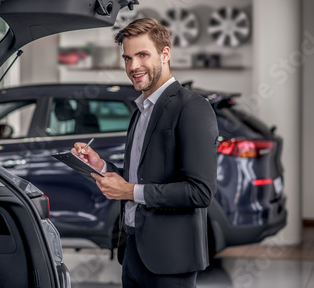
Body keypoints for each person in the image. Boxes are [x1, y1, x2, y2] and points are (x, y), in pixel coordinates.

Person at [72, 18, 218, 288]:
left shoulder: (192, 108)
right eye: (127, 58)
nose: (133, 66)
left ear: (165, 53)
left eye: (142, 55)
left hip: (170, 259)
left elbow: (200, 192)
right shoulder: (141, 110)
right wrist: (102, 166)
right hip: (132, 250)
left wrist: (129, 191)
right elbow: (140, 175)